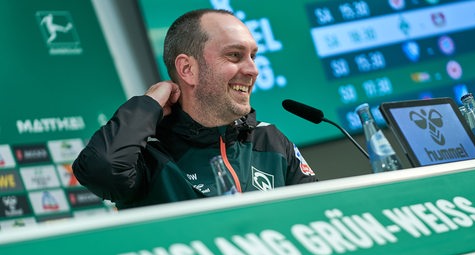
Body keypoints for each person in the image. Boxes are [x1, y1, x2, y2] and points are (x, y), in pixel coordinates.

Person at [72, 9, 317, 209]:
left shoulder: (270, 139)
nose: (253, 69)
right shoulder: (149, 152)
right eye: (234, 55)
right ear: (187, 69)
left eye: (253, 56)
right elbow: (101, 170)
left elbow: (319, 211)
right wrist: (148, 105)